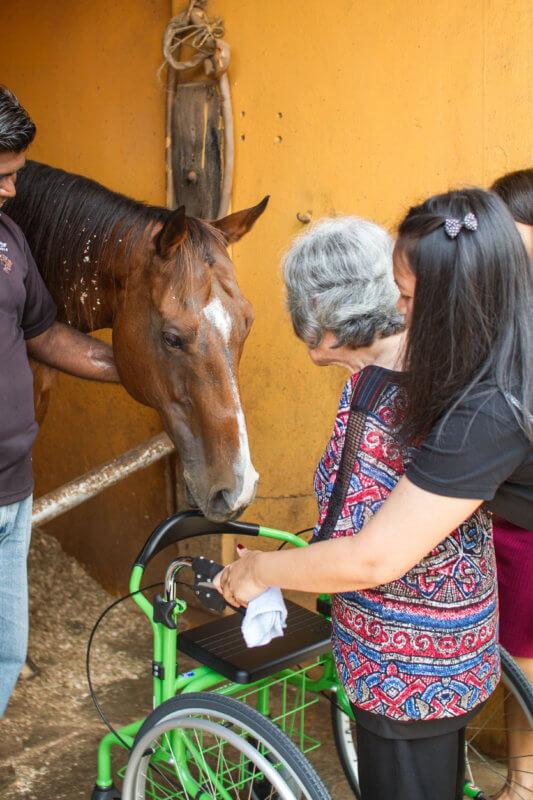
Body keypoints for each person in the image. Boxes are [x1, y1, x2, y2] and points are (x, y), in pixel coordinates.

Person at [216, 188, 533, 800]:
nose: (398, 314)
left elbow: (373, 557)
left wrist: (261, 571)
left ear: (454, 302)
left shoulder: (486, 409)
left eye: (408, 299)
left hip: (410, 671)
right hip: (454, 650)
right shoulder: (493, 342)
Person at [0, 85, 120, 717]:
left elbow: (44, 333)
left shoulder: (8, 241)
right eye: (1, 175)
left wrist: (132, 370)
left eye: (15, 175)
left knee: (6, 654)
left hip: (12, 493)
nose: (12, 190)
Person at [491, 167, 533, 800]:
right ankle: (522, 782)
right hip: (501, 513)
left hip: (522, 520)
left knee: (522, 661)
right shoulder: (497, 306)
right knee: (517, 659)